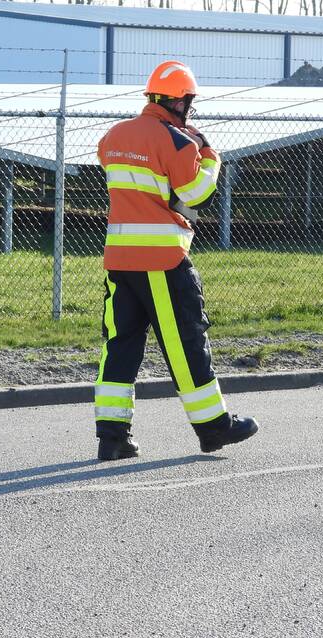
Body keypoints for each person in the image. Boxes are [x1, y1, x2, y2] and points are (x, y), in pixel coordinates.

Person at [93, 60, 259, 461]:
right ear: (181, 101)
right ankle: (214, 428)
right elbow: (197, 192)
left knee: (119, 346)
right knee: (187, 343)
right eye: (190, 102)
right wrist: (210, 155)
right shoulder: (180, 142)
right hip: (164, 260)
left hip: (120, 260)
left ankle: (112, 437)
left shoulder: (113, 136)